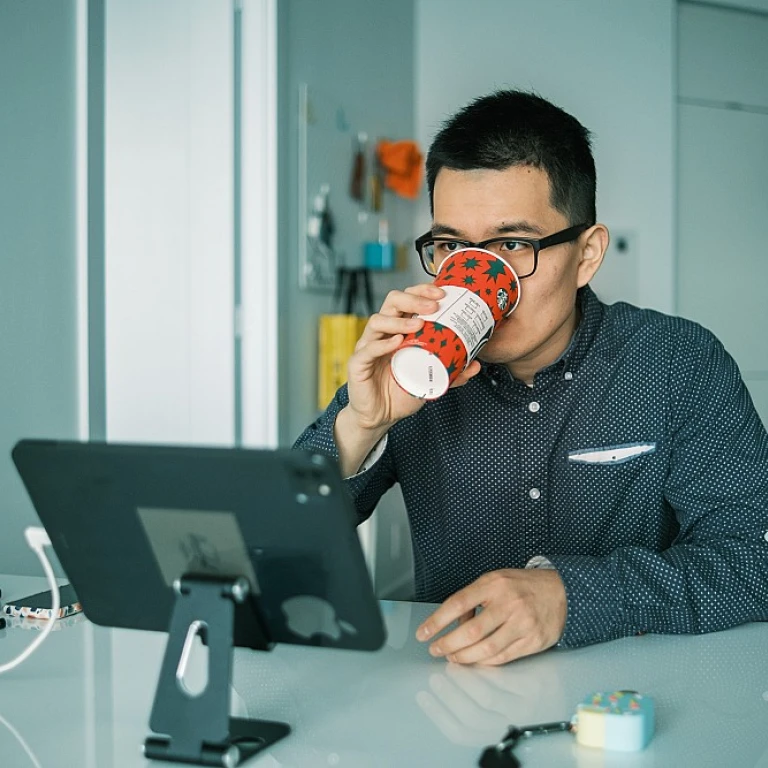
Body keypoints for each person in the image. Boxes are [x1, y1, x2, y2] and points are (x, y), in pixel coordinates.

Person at [294, 90, 768, 665]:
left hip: (631, 694)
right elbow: (278, 545)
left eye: (513, 244)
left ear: (588, 254)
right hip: (453, 694)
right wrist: (361, 423)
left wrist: (577, 596)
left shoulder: (675, 361)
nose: (473, 282)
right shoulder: (414, 367)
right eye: (452, 247)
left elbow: (755, 558)